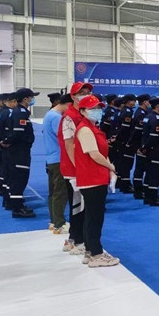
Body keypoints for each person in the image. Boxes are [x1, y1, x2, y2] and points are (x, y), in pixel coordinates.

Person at [74, 95, 119, 267]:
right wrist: (111, 166)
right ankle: (96, 254)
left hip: (96, 176)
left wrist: (109, 168)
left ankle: (90, 251)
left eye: (99, 108)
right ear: (83, 111)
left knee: (92, 215)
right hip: (91, 178)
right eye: (93, 109)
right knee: (95, 217)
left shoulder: (93, 128)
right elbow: (94, 154)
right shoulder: (85, 129)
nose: (97, 111)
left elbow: (101, 152)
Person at [59, 83, 93, 252]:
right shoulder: (70, 117)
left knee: (79, 205)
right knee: (78, 205)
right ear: (73, 96)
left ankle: (73, 238)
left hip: (81, 167)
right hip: (75, 170)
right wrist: (79, 168)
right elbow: (68, 145)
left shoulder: (81, 114)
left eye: (87, 92)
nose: (85, 95)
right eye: (81, 93)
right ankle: (78, 241)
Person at [3, 88, 40, 218]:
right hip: (19, 151)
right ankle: (17, 208)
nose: (32, 100)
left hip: (20, 150)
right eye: (31, 97)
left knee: (19, 177)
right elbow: (18, 133)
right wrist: (6, 142)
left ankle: (16, 204)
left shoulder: (20, 112)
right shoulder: (20, 113)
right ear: (25, 99)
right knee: (19, 178)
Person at [43, 92, 69, 232]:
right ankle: (59, 223)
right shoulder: (57, 117)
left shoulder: (49, 114)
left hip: (51, 157)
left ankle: (54, 221)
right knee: (60, 192)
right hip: (59, 158)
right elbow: (64, 137)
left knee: (53, 192)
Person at [140, 98, 159, 206]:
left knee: (149, 173)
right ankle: (153, 197)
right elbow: (154, 136)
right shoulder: (156, 118)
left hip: (149, 149)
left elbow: (145, 135)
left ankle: (148, 197)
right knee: (155, 174)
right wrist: (148, 146)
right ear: (158, 106)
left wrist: (144, 147)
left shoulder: (148, 116)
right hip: (156, 149)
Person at [130, 94, 150, 200]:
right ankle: (138, 190)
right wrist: (139, 145)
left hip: (141, 143)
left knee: (142, 166)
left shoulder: (143, 112)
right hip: (139, 144)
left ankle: (140, 189)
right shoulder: (141, 114)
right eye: (148, 101)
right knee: (140, 168)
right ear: (144, 102)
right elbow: (138, 131)